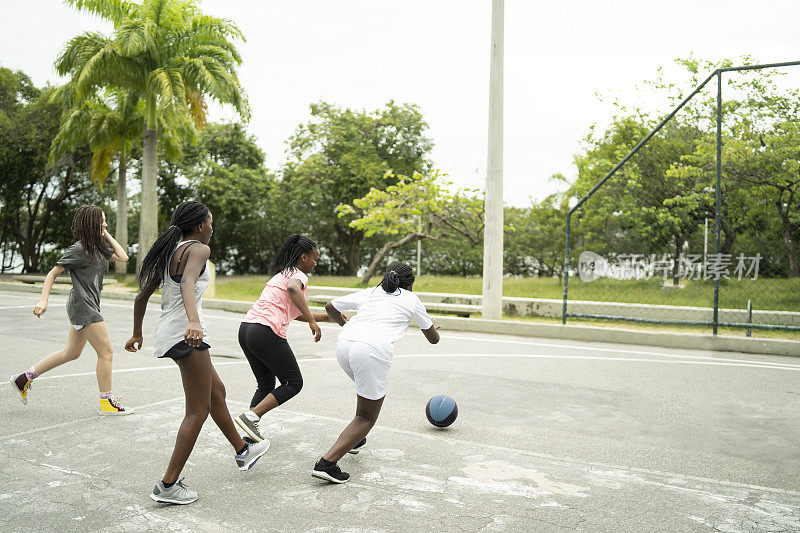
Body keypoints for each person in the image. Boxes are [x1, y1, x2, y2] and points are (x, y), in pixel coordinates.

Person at [125, 201, 269, 505]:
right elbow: (188, 282)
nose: (212, 229)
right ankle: (167, 485)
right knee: (197, 410)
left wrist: (138, 332)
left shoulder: (169, 252)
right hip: (186, 334)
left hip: (171, 332)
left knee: (217, 391)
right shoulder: (198, 250)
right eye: (211, 223)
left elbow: (141, 296)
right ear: (201, 225)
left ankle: (243, 450)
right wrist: (193, 320)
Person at [312, 262, 440, 483]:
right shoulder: (411, 299)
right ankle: (327, 464)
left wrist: (345, 324)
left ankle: (356, 440)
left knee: (365, 397)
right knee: (367, 416)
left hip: (344, 346)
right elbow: (433, 339)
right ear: (410, 284)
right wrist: (433, 327)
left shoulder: (371, 292)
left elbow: (329, 305)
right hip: (370, 351)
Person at [9, 205, 132, 415]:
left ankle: (23, 379)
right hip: (83, 306)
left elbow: (123, 257)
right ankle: (106, 403)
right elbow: (52, 274)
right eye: (102, 221)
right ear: (92, 223)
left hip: (85, 305)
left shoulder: (98, 247)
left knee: (71, 353)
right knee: (106, 352)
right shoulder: (79, 249)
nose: (106, 224)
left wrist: (105, 233)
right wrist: (43, 301)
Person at [234, 234, 337, 442]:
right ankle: (251, 416)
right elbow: (293, 290)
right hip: (265, 330)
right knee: (293, 382)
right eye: (314, 258)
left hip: (247, 329)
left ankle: (250, 431)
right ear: (303, 257)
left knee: (265, 384)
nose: (315, 263)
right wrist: (312, 322)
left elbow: (295, 311)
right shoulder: (298, 276)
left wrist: (325, 317)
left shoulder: (281, 274)